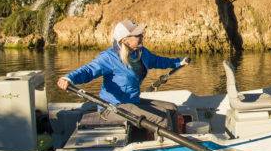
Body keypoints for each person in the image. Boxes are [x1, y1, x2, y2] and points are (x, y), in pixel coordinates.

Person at [57, 19, 187, 134]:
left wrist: (178, 62)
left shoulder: (141, 52)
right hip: (112, 108)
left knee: (172, 109)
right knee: (161, 118)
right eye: (137, 35)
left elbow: (158, 61)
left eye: (141, 33)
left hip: (132, 101)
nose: (141, 36)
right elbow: (88, 70)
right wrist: (69, 78)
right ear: (125, 40)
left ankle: (178, 140)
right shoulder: (109, 57)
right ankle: (165, 148)